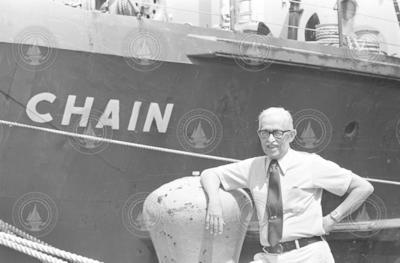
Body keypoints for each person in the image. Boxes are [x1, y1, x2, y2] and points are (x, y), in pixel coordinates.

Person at [200, 107, 374, 263]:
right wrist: (214, 203)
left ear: (291, 135)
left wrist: (333, 218)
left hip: (308, 255)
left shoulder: (310, 164)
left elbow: (363, 187)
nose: (270, 140)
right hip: (269, 256)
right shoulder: (254, 167)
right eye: (264, 133)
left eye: (277, 133)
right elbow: (210, 174)